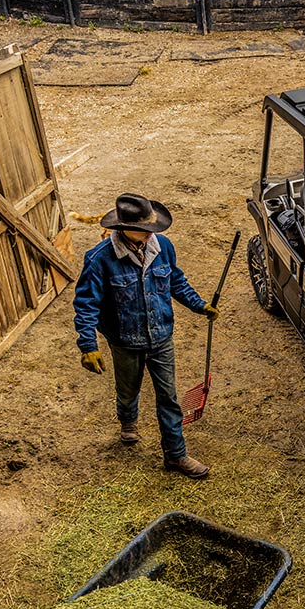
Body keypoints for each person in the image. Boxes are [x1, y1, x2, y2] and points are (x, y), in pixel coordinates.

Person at [73, 193, 218, 479]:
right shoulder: (100, 260)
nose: (151, 233)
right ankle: (128, 422)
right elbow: (86, 303)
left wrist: (199, 305)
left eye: (152, 228)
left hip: (161, 336)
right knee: (128, 390)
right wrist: (87, 345)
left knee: (169, 397)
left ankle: (176, 455)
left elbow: (176, 280)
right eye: (145, 228)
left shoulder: (162, 247)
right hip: (125, 340)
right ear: (122, 228)